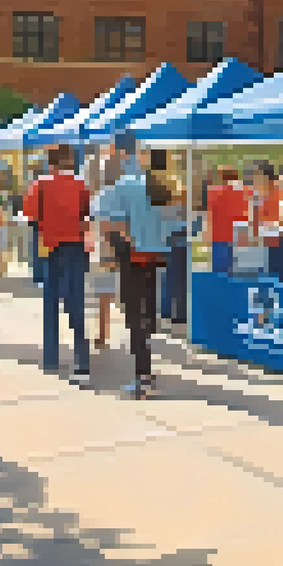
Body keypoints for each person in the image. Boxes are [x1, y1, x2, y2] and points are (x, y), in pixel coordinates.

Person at [93, 139, 183, 400]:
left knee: (135, 318)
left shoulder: (127, 186)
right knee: (147, 313)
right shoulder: (171, 188)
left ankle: (143, 376)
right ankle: (146, 370)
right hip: (157, 257)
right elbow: (175, 224)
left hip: (132, 257)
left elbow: (105, 220)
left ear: (144, 159)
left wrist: (121, 242)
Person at [26, 145, 92, 383]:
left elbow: (30, 215)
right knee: (76, 304)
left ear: (50, 162)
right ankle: (82, 361)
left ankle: (51, 358)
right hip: (75, 247)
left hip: (50, 247)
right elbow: (87, 214)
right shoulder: (80, 184)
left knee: (50, 303)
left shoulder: (40, 184)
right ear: (69, 161)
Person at [83, 143, 121, 349]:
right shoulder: (129, 190)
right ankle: (105, 331)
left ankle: (103, 332)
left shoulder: (98, 200)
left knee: (104, 289)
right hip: (125, 244)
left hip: (105, 244)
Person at [206, 165, 250, 275]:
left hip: (219, 235)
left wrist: (207, 232)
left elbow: (211, 213)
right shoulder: (245, 191)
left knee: (220, 272)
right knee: (238, 271)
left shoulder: (214, 192)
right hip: (239, 235)